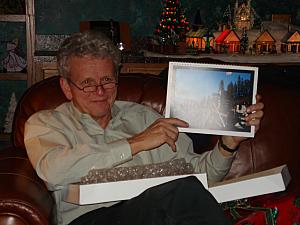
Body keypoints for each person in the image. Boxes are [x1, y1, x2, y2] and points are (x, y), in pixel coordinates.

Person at [24, 30, 264, 225]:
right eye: (87, 83)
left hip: (156, 214)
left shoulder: (144, 117)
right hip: (90, 219)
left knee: (184, 193)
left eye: (107, 80)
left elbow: (200, 177)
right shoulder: (46, 123)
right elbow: (53, 171)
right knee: (179, 194)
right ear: (66, 87)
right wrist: (135, 143)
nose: (100, 91)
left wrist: (227, 146)